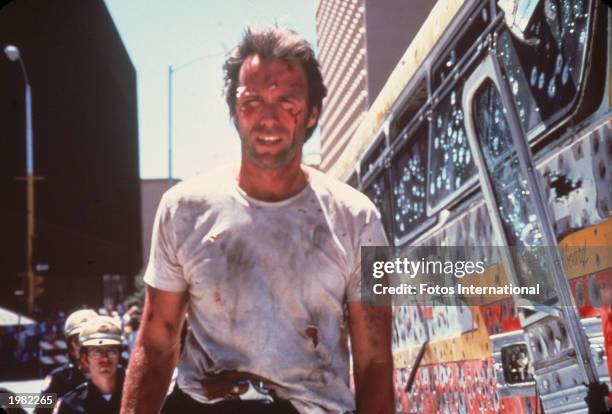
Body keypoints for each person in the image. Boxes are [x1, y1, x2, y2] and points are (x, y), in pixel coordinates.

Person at [121, 26, 393, 414]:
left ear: (312, 112)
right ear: (234, 111)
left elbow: (375, 361)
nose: (269, 118)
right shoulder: (182, 209)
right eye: (252, 101)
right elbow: (157, 339)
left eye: (287, 101)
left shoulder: (359, 219)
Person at [53, 316, 125, 414]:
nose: (105, 358)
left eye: (112, 351)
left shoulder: (138, 396)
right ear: (84, 358)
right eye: (96, 352)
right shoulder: (69, 404)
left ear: (119, 356)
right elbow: (41, 410)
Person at [35, 309, 98, 414]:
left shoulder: (118, 376)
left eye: (91, 339)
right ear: (71, 348)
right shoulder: (58, 379)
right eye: (80, 340)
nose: (86, 346)